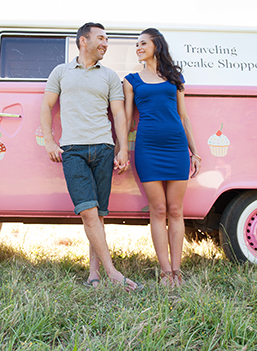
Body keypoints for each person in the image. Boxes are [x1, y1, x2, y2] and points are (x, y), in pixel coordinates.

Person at [40, 22, 142, 291]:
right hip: (72, 150)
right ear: (83, 41)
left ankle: (93, 274)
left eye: (106, 39)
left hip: (103, 148)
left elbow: (119, 114)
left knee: (98, 215)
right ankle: (113, 273)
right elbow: (46, 106)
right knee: (88, 213)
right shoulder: (61, 72)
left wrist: (122, 148)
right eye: (101, 38)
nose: (105, 43)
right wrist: (50, 141)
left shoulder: (109, 75)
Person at [123, 28, 201, 287]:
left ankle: (177, 270)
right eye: (136, 44)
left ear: (156, 45)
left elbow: (185, 116)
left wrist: (195, 151)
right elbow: (126, 119)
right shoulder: (131, 80)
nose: (138, 47)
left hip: (176, 148)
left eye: (143, 43)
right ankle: (165, 271)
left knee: (176, 210)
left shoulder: (174, 78)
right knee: (157, 210)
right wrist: (121, 148)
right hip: (148, 149)